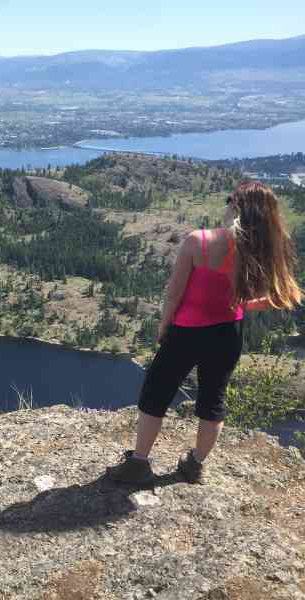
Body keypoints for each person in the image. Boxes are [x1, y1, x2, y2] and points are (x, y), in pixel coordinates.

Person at [106, 181, 302, 485]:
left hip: (185, 332)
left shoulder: (197, 242)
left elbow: (174, 294)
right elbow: (285, 296)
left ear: (235, 206)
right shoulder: (261, 252)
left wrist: (163, 328)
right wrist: (241, 306)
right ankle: (195, 465)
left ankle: (139, 463)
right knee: (212, 401)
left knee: (155, 394)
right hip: (227, 335)